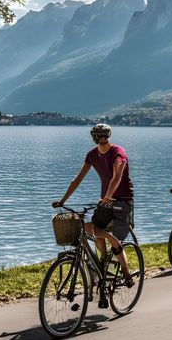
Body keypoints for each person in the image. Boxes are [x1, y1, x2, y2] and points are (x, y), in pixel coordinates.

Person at [52, 123, 134, 300]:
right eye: (100, 136)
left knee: (109, 237)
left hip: (122, 202)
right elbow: (77, 179)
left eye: (102, 136)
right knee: (91, 228)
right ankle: (102, 267)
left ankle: (127, 275)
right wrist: (63, 201)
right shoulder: (92, 155)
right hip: (106, 202)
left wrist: (108, 196)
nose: (101, 139)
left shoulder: (118, 152)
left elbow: (116, 177)